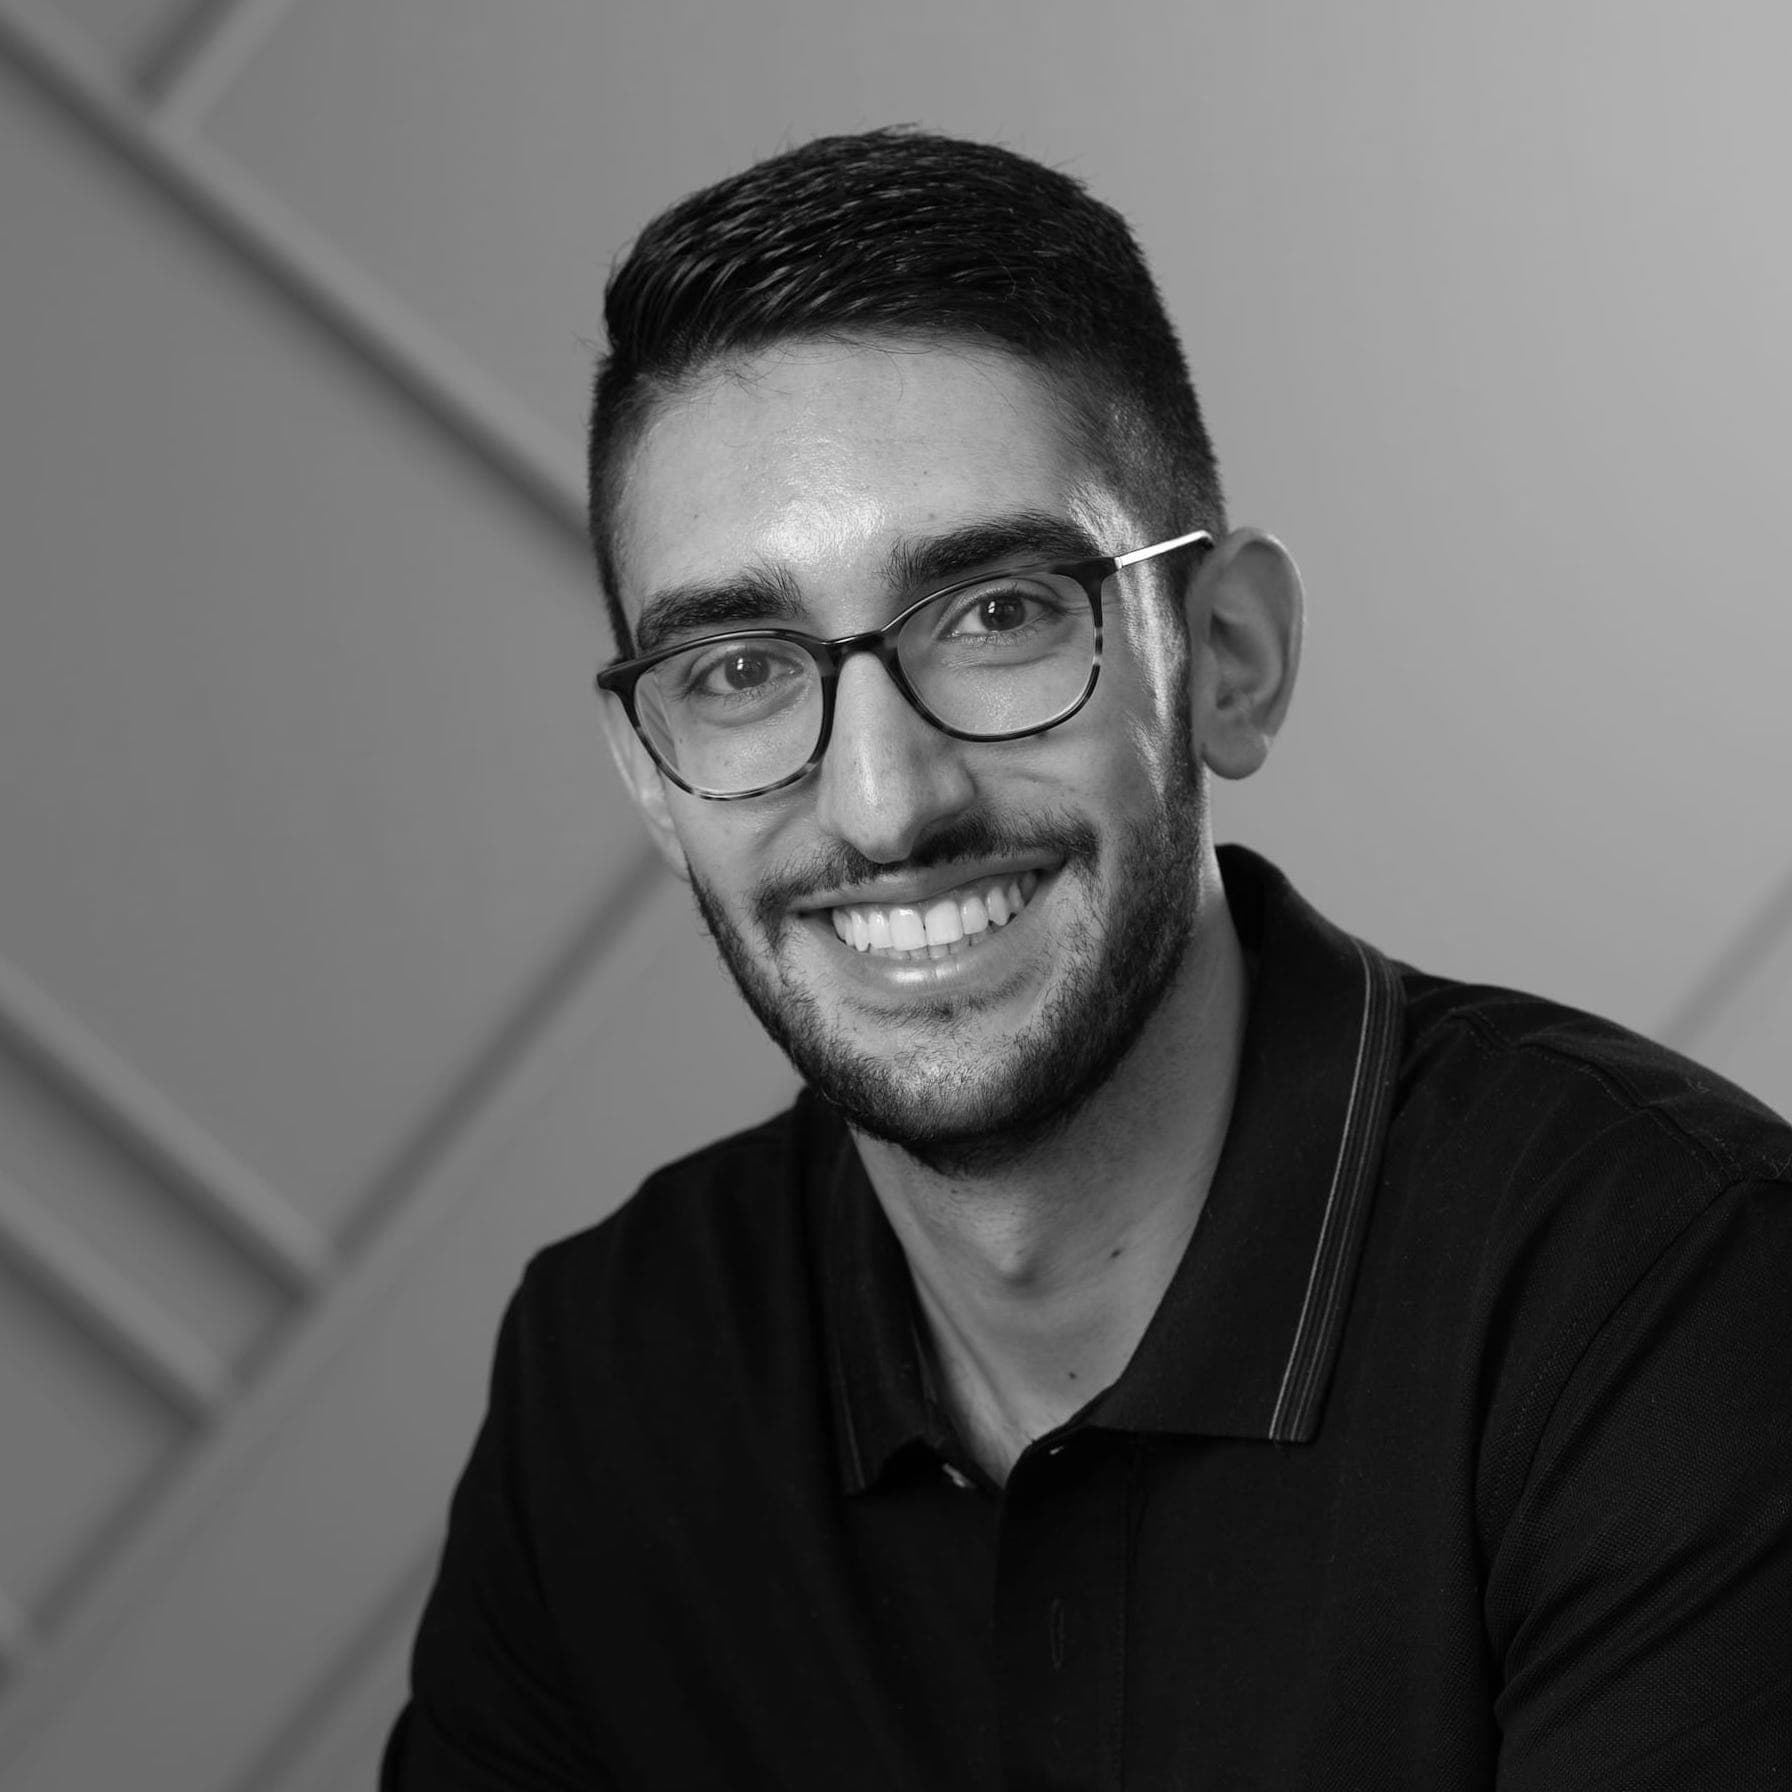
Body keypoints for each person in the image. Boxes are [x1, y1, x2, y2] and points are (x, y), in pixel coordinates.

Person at [383, 129, 1791, 1789]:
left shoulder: (1677, 1295)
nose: (884, 803)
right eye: (742, 670)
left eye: (996, 614)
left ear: (1227, 658)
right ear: (652, 780)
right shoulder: (613, 1376)